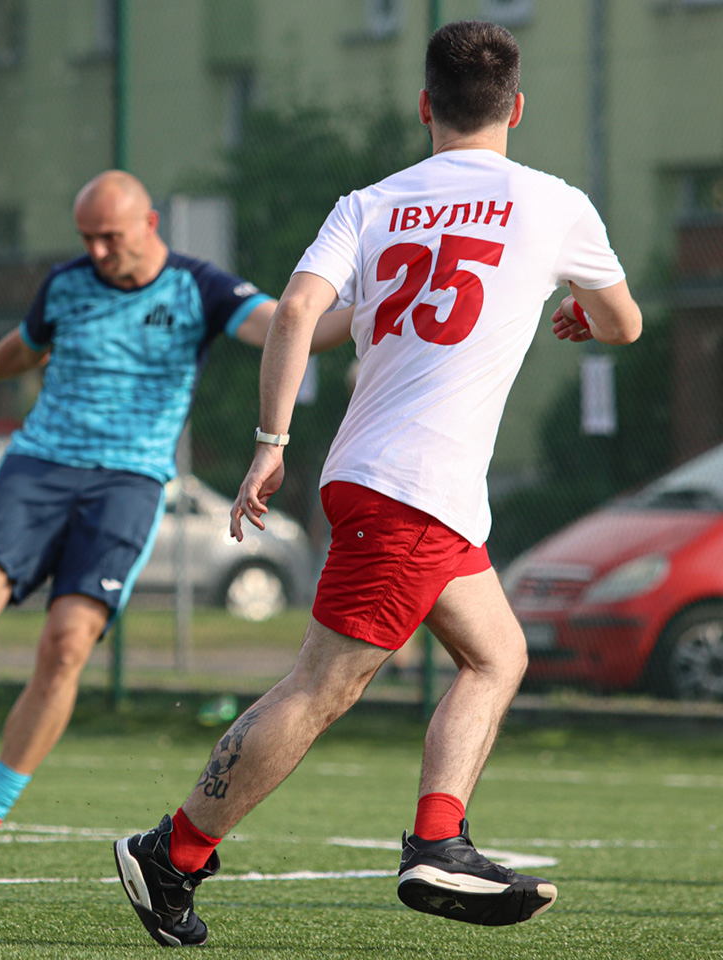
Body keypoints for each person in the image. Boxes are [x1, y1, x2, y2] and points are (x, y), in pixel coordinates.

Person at [114, 20, 643, 947]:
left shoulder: (370, 203)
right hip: (417, 488)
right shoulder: (555, 204)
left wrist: (270, 443)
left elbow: (294, 313)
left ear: (426, 106)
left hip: (381, 477)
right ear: (517, 108)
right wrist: (581, 316)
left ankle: (440, 837)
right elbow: (624, 323)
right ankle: (175, 852)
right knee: (321, 686)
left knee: (497, 655)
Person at [0, 170, 347, 851]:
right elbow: (25, 345)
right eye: (87, 237)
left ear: (149, 224)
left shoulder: (199, 288)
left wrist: (367, 314)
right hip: (38, 468)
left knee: (65, 647)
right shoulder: (67, 283)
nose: (96, 251)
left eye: (109, 237)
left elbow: (289, 328)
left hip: (127, 486)